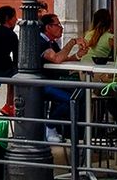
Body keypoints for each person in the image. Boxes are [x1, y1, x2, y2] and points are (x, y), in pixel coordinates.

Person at [36, 13, 88, 141]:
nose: (61, 28)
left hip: (53, 81)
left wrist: (78, 55)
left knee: (81, 93)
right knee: (70, 99)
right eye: (57, 25)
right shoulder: (40, 41)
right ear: (48, 27)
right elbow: (57, 58)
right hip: (42, 83)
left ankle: (76, 133)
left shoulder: (52, 43)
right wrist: (73, 42)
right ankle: (50, 126)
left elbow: (62, 58)